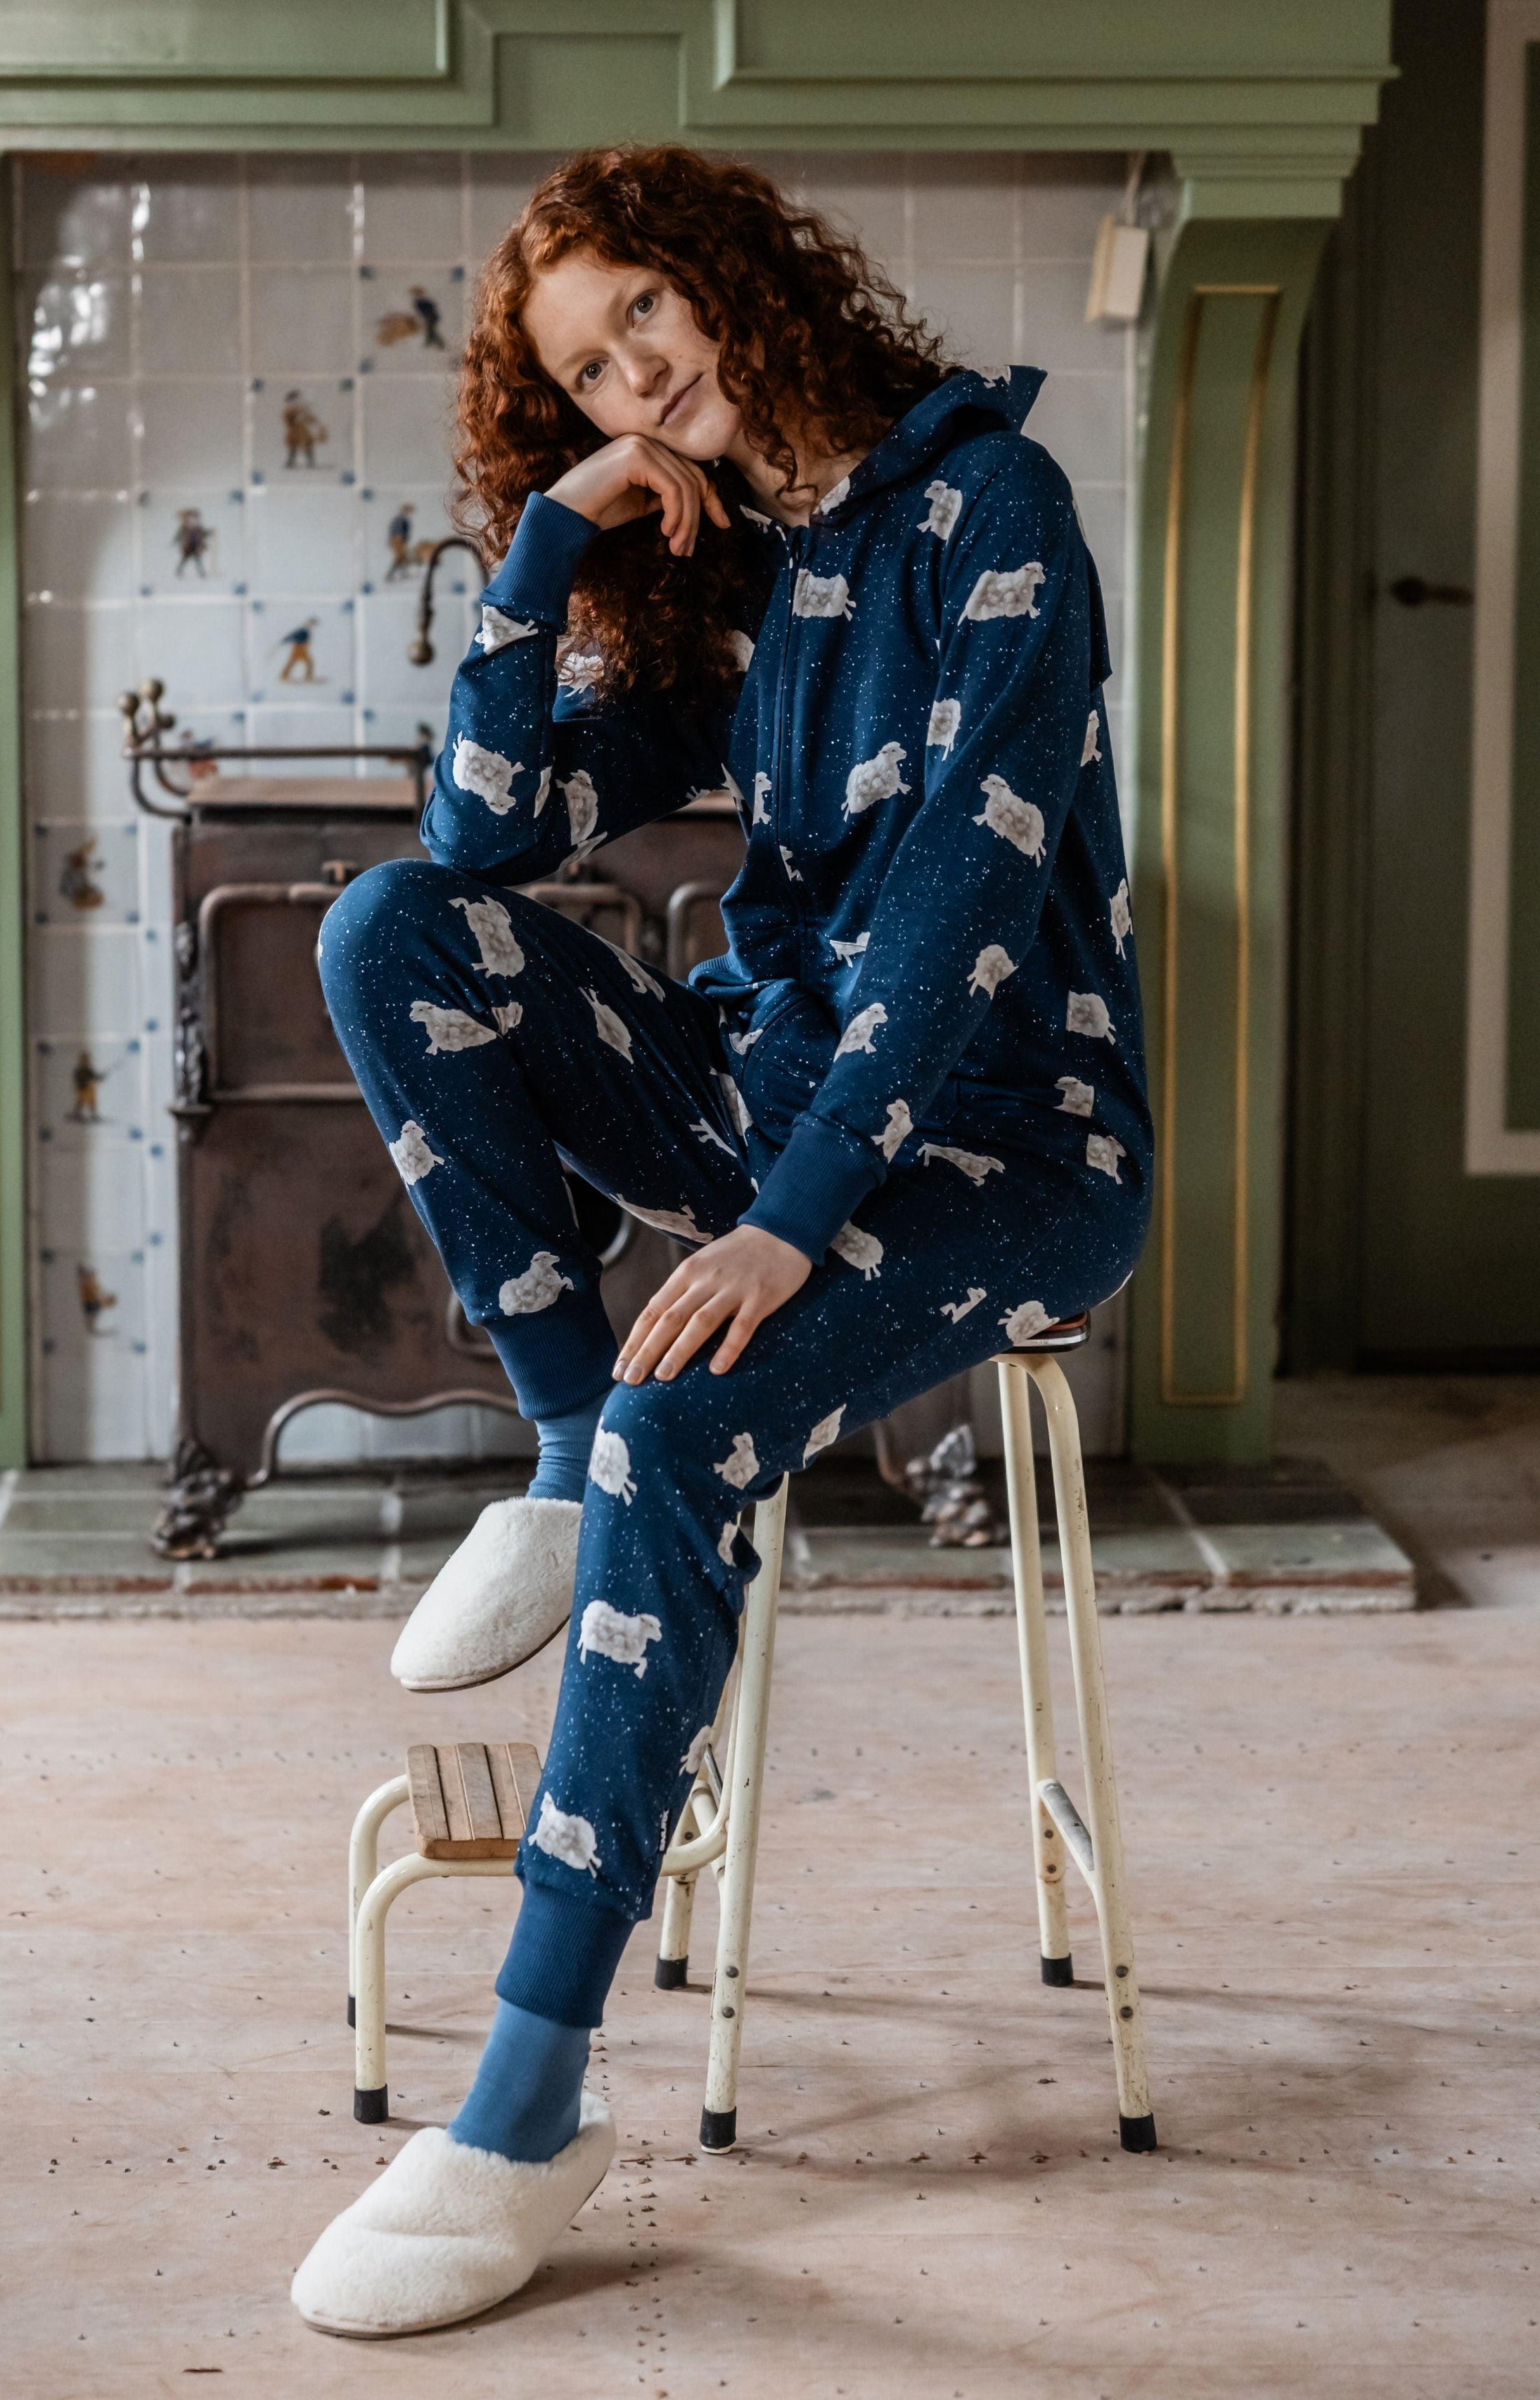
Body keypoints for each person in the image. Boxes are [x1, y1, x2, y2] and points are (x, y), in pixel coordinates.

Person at [293, 143, 1150, 2339]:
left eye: (644, 319)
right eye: (586, 369)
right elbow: (479, 847)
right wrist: (538, 552)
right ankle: (567, 1447)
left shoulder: (993, 510)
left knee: (707, 1431)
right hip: (781, 1098)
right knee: (391, 932)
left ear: (737, 281)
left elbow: (968, 897)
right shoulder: (738, 565)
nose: (634, 378)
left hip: (1009, 1139)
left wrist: (782, 1227)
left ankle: (523, 2101)